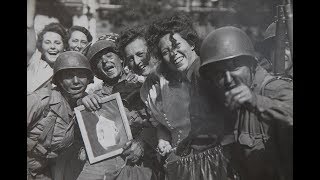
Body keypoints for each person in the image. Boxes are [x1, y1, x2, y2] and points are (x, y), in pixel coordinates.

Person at [140, 12, 230, 180]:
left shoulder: (201, 72)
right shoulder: (192, 74)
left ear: (191, 43)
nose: (173, 53)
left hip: (216, 164)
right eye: (165, 51)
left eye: (176, 45)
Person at [199, 26, 293, 180]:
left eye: (234, 67)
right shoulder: (237, 100)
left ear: (252, 64)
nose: (228, 79)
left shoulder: (273, 88)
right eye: (219, 74)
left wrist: (255, 101)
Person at [77, 34, 155, 180]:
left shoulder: (143, 85)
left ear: (121, 58)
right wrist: (83, 101)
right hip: (107, 166)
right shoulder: (94, 97)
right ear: (96, 71)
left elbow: (161, 123)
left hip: (140, 164)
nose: (105, 61)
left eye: (109, 56)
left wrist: (142, 144)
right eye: (99, 61)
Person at [27, 51, 94, 180]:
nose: (76, 81)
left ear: (89, 79)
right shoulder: (40, 100)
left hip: (44, 172)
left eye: (81, 75)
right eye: (68, 76)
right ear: (58, 80)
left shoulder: (82, 107)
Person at [27, 23, 67, 93]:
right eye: (47, 42)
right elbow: (29, 26)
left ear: (64, 47)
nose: (52, 47)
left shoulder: (68, 70)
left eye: (57, 43)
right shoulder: (34, 64)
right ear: (41, 46)